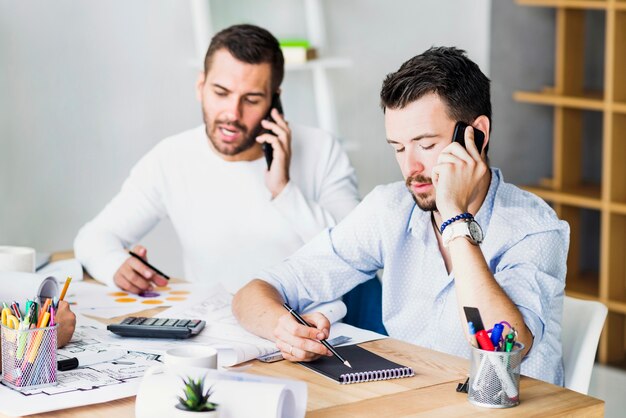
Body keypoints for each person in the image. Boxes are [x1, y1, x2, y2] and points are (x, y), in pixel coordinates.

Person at [233, 46, 569, 385]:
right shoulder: (390, 209)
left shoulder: (534, 228)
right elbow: (255, 292)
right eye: (398, 147)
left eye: (425, 145)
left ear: (477, 134)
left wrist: (454, 218)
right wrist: (284, 329)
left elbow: (503, 345)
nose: (411, 168)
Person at [74, 24, 359, 294]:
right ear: (201, 86)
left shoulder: (322, 149)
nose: (232, 114)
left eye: (251, 99)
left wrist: (284, 190)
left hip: (307, 326)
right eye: (221, 93)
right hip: (216, 329)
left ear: (274, 99)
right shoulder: (172, 157)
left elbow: (355, 252)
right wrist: (114, 265)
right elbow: (93, 238)